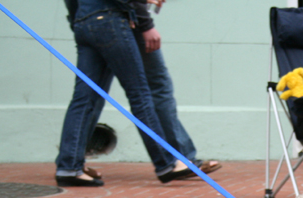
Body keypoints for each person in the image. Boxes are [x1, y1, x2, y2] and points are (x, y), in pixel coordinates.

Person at [55, 0, 194, 187]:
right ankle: (166, 163)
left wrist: (79, 22)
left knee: (84, 98)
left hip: (83, 22)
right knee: (140, 95)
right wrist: (146, 24)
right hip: (111, 20)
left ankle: (68, 167)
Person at [83, 0, 222, 183]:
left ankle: (70, 162)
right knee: (148, 91)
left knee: (89, 94)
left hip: (95, 21)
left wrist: (78, 20)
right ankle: (175, 161)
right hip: (124, 21)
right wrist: (145, 23)